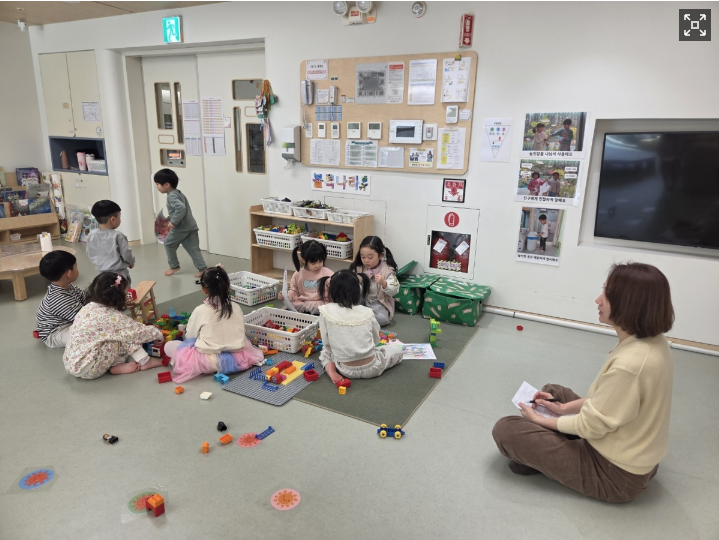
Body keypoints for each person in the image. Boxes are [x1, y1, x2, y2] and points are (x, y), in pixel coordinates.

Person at [492, 263, 674, 503]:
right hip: (631, 453)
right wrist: (563, 409)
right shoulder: (654, 342)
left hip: (616, 475)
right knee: (554, 392)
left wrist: (540, 421)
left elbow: (591, 425)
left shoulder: (630, 365)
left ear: (629, 304)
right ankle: (547, 442)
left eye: (607, 294)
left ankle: (541, 453)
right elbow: (614, 401)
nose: (598, 300)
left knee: (506, 430)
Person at [164, 265, 264, 383]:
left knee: (169, 346)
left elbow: (190, 336)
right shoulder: (236, 307)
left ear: (204, 289)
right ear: (228, 286)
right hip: (238, 358)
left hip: (207, 362)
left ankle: (210, 366)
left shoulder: (200, 310)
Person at [63, 273, 164, 379]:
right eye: (126, 294)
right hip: (91, 369)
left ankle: (117, 364)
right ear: (118, 297)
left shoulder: (86, 309)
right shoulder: (113, 317)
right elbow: (137, 331)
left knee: (113, 335)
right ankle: (146, 361)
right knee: (127, 335)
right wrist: (158, 334)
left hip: (73, 363)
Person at [316, 269, 403, 383]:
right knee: (397, 350)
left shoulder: (325, 311)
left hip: (345, 369)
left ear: (332, 291)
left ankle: (331, 370)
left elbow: (326, 343)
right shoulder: (367, 312)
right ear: (358, 291)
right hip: (373, 367)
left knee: (325, 352)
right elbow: (376, 340)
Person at [153, 169, 207, 277]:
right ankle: (202, 268)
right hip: (190, 226)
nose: (157, 186)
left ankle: (174, 266)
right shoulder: (178, 193)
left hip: (181, 228)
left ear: (167, 184)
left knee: (168, 243)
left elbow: (181, 208)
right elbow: (180, 209)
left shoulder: (171, 196)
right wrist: (170, 217)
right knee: (194, 249)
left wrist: (173, 222)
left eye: (158, 184)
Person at [36, 251, 88, 348]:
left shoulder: (68, 287)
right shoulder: (58, 299)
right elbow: (83, 319)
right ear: (69, 273)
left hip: (70, 321)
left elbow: (86, 297)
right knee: (88, 334)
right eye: (76, 267)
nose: (78, 270)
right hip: (56, 333)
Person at [350, 236, 399, 327]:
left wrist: (384, 283)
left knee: (382, 319)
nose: (366, 260)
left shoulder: (387, 270)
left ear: (381, 255)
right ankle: (362, 317)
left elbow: (395, 290)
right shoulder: (359, 267)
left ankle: (361, 319)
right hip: (360, 301)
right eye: (363, 257)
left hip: (378, 303)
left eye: (370, 257)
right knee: (357, 287)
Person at [278, 240, 334, 314]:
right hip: (303, 305)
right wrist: (286, 296)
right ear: (303, 260)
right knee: (284, 310)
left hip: (321, 306)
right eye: (313, 263)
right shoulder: (298, 274)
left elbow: (335, 293)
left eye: (320, 261)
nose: (318, 265)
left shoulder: (328, 273)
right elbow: (294, 292)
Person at [86, 200, 135, 284]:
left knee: (107, 291)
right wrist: (131, 263)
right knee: (122, 290)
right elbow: (126, 254)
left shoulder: (91, 235)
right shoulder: (118, 236)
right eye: (119, 216)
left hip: (101, 275)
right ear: (113, 219)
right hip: (119, 275)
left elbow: (90, 252)